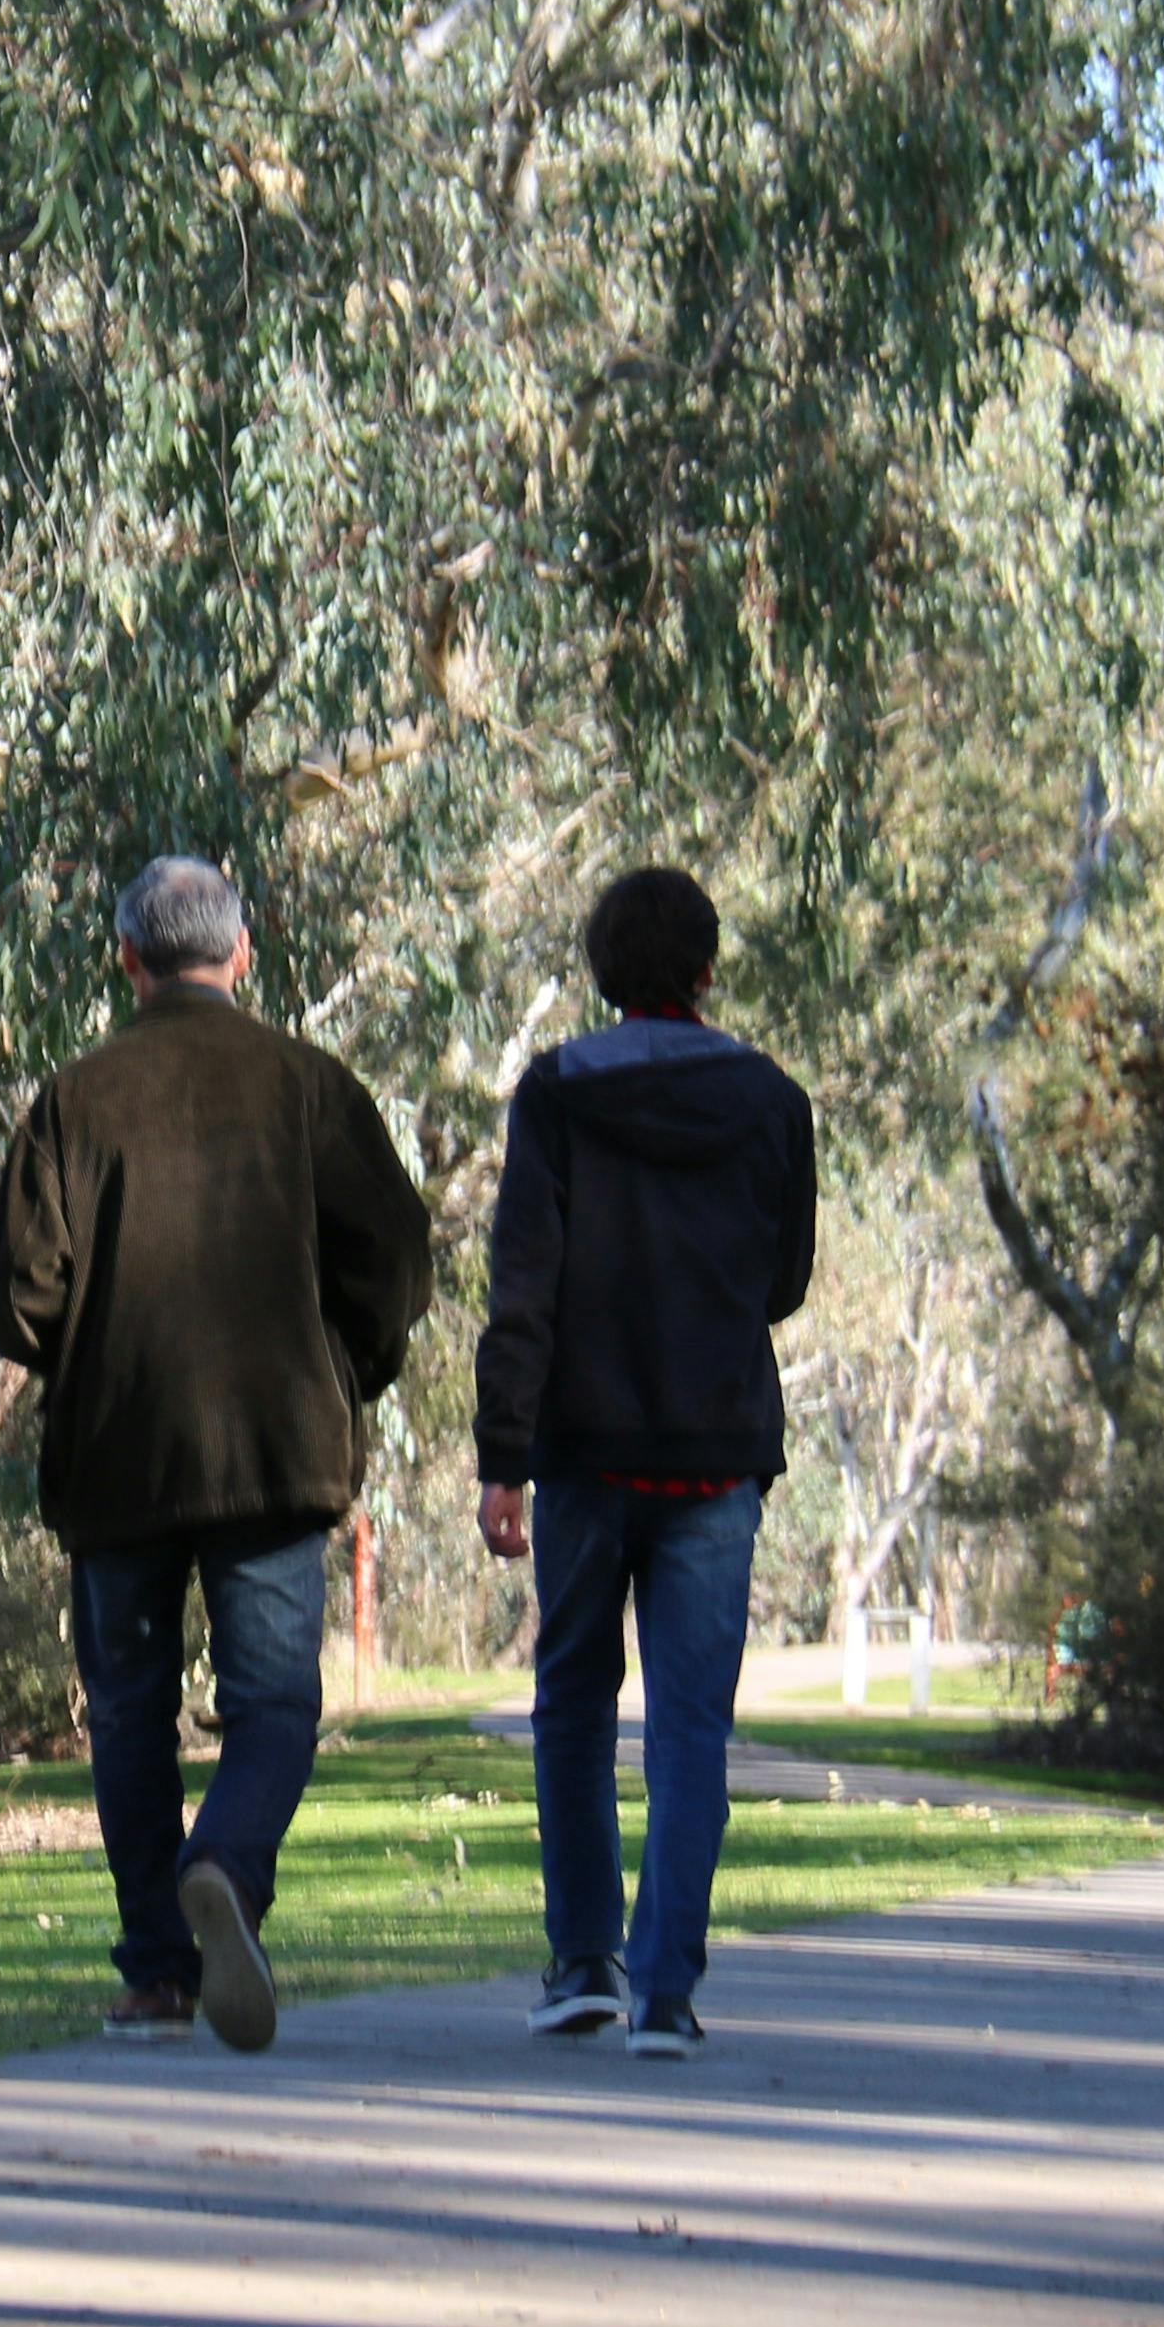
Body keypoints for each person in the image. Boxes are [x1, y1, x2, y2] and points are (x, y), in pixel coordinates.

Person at [0, 856, 433, 2052]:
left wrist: (90, 1348)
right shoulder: (310, 1085)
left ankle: (157, 1976)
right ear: (242, 955)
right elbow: (395, 1258)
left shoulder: (73, 1100)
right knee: (274, 1700)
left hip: (118, 1454)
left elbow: (18, 1299)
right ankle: (225, 1861)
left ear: (127, 960)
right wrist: (346, 1368)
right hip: (276, 1447)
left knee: (129, 1714)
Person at [473, 866, 817, 2059]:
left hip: (584, 1452)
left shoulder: (557, 1093)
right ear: (708, 969)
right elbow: (785, 1282)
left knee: (571, 1704)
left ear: (603, 974)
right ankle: (666, 1990)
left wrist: (502, 1455)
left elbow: (524, 1285)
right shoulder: (772, 1101)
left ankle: (583, 1963)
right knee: (690, 1728)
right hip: (716, 1451)